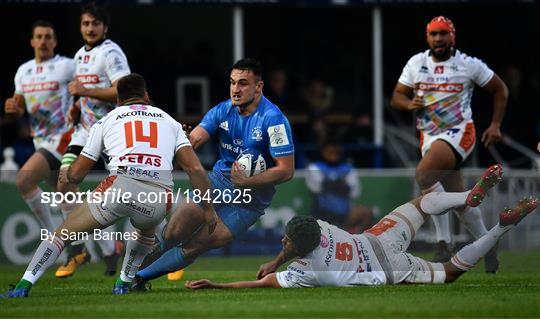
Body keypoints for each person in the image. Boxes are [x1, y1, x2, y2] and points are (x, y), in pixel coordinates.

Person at [0, 73, 218, 298]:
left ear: (118, 100)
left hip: (120, 187)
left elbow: (79, 173)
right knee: (145, 231)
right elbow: (195, 170)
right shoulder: (170, 121)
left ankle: (22, 287)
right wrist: (209, 209)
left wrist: (68, 175)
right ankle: (123, 283)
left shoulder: (107, 120)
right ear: (146, 96)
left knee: (61, 234)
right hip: (160, 196)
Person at [184, 165, 539, 289]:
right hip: (377, 238)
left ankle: (499, 229)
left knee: (449, 273)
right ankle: (465, 196)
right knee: (420, 203)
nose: (282, 239)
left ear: (298, 250)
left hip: (388, 269)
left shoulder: (309, 273)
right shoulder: (321, 227)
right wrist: (279, 259)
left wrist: (216, 283)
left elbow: (256, 284)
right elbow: (296, 241)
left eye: (286, 240)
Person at [131, 58, 295, 290]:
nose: (236, 89)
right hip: (216, 183)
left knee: (199, 244)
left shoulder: (274, 120)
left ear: (258, 87)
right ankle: (132, 271)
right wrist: (185, 143)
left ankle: (139, 279)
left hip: (249, 202)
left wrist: (249, 181)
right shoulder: (222, 110)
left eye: (243, 83)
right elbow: (196, 137)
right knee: (173, 232)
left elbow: (286, 170)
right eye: (232, 83)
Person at [390, 16, 509, 271]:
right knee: (459, 202)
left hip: (459, 133)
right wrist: (408, 103)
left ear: (452, 36)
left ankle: (444, 243)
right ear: (427, 37)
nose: (438, 38)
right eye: (433, 34)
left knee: (423, 174)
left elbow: (500, 90)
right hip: (429, 136)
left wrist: (495, 125)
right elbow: (397, 97)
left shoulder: (468, 64)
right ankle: (487, 243)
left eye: (443, 33)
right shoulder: (416, 62)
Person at [54, 2, 131, 278]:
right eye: (86, 24)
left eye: (95, 24)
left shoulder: (111, 52)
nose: (90, 28)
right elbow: (84, 92)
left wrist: (85, 90)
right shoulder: (78, 55)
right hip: (86, 132)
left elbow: (124, 91)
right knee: (64, 182)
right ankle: (80, 250)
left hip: (112, 133)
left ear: (104, 27)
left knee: (127, 193)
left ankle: (135, 246)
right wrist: (78, 104)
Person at [4, 20, 75, 233]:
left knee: (24, 180)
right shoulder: (24, 71)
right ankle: (109, 247)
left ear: (55, 42)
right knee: (67, 196)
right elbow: (18, 108)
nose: (43, 41)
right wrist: (12, 108)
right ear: (32, 41)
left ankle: (54, 239)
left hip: (64, 136)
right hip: (41, 140)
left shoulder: (67, 65)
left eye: (48, 37)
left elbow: (89, 86)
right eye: (39, 37)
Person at [306, 141, 372, 233]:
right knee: (308, 223)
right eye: (329, 152)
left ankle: (356, 239)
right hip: (322, 213)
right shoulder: (315, 166)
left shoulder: (347, 168)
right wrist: (340, 184)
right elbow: (316, 188)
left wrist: (330, 184)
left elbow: (355, 193)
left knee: (366, 212)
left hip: (344, 214)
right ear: (323, 152)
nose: (333, 155)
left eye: (335, 152)